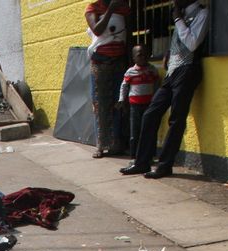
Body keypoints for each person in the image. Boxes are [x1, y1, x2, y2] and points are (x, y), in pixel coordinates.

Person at [120, 0, 209, 179]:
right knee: (150, 114)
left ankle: (164, 166)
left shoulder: (202, 13)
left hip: (188, 69)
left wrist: (177, 20)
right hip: (173, 71)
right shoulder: (182, 15)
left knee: (176, 119)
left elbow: (192, 43)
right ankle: (141, 161)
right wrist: (170, 52)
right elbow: (181, 41)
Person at [85, 0, 130, 158]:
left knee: (119, 103)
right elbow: (97, 30)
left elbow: (127, 33)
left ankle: (117, 143)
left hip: (119, 62)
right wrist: (110, 10)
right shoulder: (93, 8)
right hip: (100, 62)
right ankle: (101, 145)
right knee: (100, 103)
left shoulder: (124, 8)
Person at [117, 44, 160, 161]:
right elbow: (124, 86)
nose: (143, 57)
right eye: (140, 55)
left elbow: (157, 85)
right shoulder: (130, 72)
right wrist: (122, 99)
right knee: (134, 132)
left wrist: (156, 99)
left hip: (149, 105)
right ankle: (134, 156)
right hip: (135, 106)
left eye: (146, 55)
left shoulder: (152, 70)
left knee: (149, 130)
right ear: (134, 58)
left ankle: (150, 155)